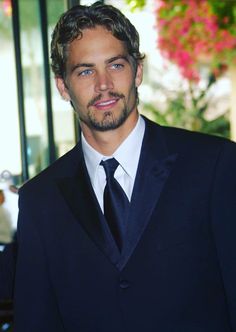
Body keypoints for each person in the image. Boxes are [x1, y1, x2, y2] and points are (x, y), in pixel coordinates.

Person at [14, 2, 236, 331]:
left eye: (115, 65)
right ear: (63, 87)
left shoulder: (214, 166)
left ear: (138, 71)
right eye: (85, 71)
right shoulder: (39, 200)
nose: (103, 84)